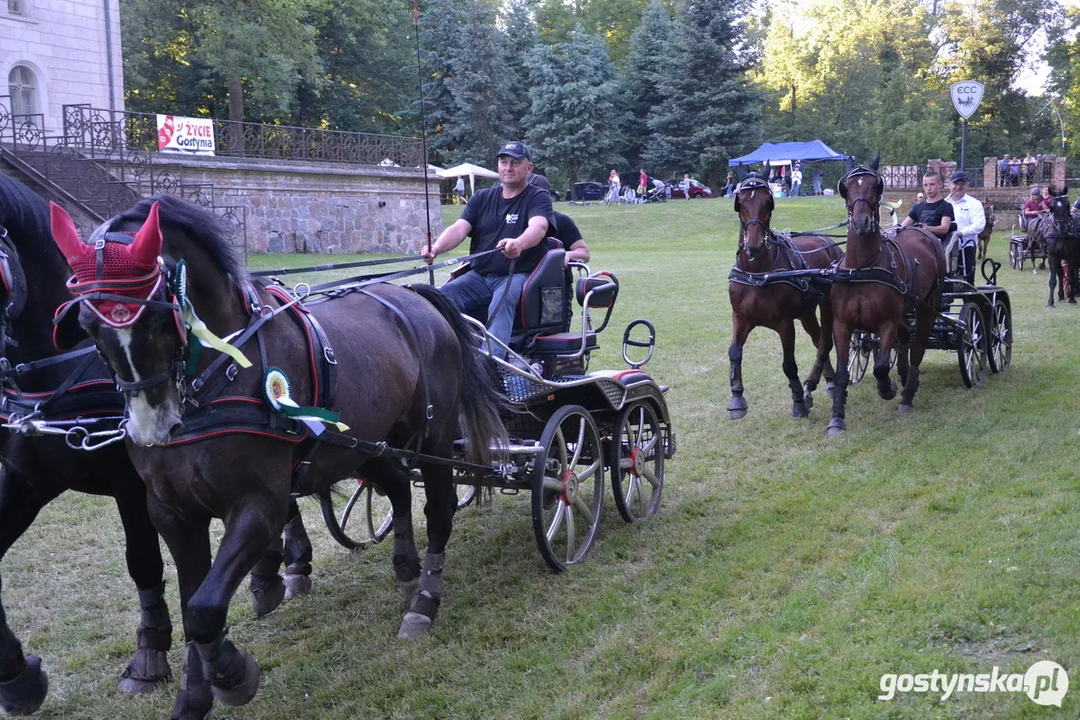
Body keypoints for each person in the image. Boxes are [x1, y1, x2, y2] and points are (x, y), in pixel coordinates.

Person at [422, 140, 553, 358]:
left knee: (501, 304)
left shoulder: (537, 197)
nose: (508, 168)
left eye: (515, 163)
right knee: (440, 298)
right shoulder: (482, 198)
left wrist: (519, 243)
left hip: (516, 275)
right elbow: (459, 229)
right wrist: (436, 248)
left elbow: (539, 227)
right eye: (503, 162)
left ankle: (493, 366)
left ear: (528, 168)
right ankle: (444, 358)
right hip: (478, 277)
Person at [945, 170, 986, 285]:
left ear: (967, 185)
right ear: (949, 185)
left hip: (966, 247)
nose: (958, 186)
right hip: (944, 249)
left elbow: (979, 224)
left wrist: (961, 233)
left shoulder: (974, 204)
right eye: (955, 183)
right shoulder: (943, 203)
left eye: (962, 184)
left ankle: (969, 301)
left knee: (967, 282)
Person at [900, 171, 954, 240]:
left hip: (937, 246)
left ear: (940, 184)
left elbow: (944, 228)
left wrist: (927, 228)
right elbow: (903, 225)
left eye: (932, 184)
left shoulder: (946, 206)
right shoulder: (918, 207)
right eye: (925, 185)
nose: (928, 188)